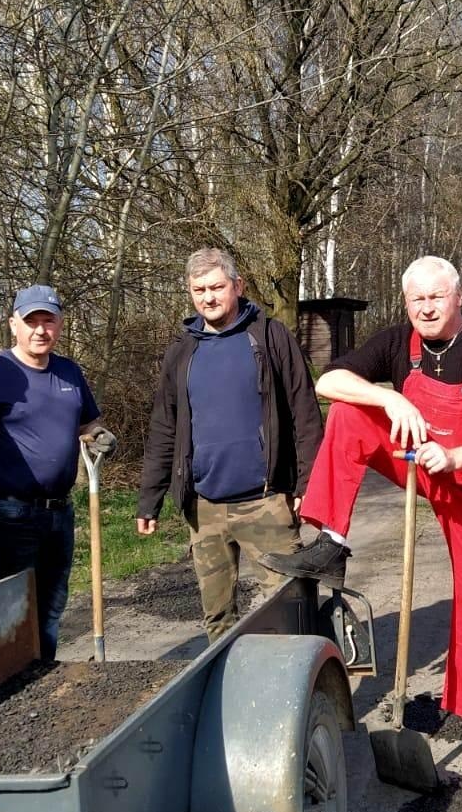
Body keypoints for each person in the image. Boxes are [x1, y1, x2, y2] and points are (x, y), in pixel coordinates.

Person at [262, 255, 462, 777]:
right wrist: (388, 403)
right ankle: (332, 541)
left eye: (436, 296)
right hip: (421, 465)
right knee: (349, 412)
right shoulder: (397, 343)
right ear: (406, 303)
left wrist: (458, 456)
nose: (427, 307)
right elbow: (329, 382)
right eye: (417, 299)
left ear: (458, 298)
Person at [137, 248, 324, 640]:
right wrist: (149, 498)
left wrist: (311, 486)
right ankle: (230, 694)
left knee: (292, 609)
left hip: (265, 502)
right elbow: (164, 428)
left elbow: (304, 414)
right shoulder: (182, 352)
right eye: (199, 289)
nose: (208, 297)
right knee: (218, 620)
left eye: (217, 287)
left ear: (237, 286)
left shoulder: (271, 337)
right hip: (204, 509)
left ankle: (302, 694)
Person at [0, 285, 114, 660]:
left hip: (61, 511)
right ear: (14, 324)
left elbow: (90, 427)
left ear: (59, 325)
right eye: (31, 321)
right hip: (13, 513)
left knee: (52, 607)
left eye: (48, 321)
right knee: (16, 609)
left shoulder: (69, 372)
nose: (40, 330)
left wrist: (101, 438)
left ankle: (42, 680)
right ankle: (11, 686)